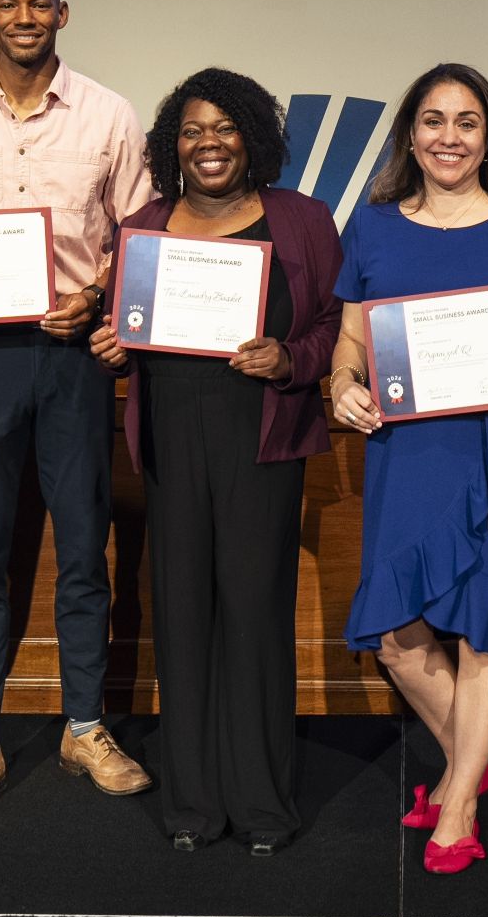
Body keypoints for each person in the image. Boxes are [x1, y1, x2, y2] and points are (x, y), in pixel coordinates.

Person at [0, 0, 155, 831]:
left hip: (73, 360)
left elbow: (138, 234)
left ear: (63, 14)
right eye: (9, 4)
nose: (24, 16)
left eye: (38, 4)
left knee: (84, 548)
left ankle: (85, 728)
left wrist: (94, 299)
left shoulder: (109, 113)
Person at [86, 69, 343, 855]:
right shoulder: (145, 225)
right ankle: (193, 804)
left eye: (226, 128)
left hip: (259, 441)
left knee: (255, 615)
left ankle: (263, 804)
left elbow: (338, 324)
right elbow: (123, 331)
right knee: (183, 613)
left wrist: (290, 358)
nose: (209, 143)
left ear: (254, 139)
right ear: (173, 145)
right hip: (171, 442)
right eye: (193, 130)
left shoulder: (301, 220)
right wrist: (112, 349)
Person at [328, 63, 488, 875]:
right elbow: (352, 338)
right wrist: (339, 386)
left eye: (467, 123)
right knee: (397, 637)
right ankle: (477, 757)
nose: (450, 137)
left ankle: (458, 802)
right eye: (434, 121)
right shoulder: (372, 225)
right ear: (411, 135)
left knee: (487, 637)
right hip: (407, 452)